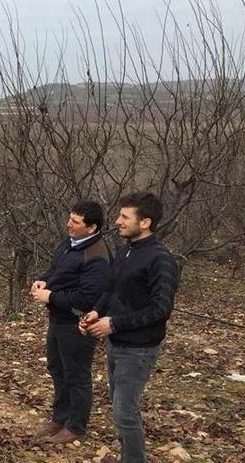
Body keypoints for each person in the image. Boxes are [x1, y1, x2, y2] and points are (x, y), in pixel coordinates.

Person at [79, 192, 178, 463]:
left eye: (124, 216)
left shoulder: (161, 260)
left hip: (139, 349)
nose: (117, 221)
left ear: (145, 222)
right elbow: (112, 289)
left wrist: (113, 323)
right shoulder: (125, 251)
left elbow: (161, 310)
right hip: (117, 343)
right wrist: (97, 311)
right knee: (120, 409)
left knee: (124, 412)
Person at [30, 201, 112, 443]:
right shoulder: (69, 244)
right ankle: (60, 416)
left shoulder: (96, 256)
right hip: (57, 319)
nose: (69, 224)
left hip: (77, 324)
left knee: (76, 375)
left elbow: (88, 297)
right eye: (69, 219)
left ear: (91, 227)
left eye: (75, 222)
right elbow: (56, 271)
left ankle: (75, 427)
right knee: (57, 369)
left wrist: (51, 296)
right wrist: (44, 281)